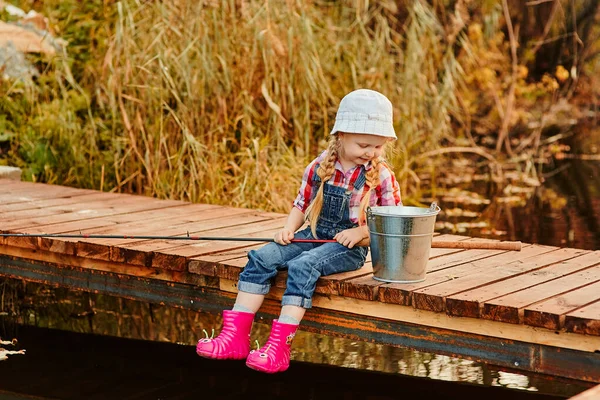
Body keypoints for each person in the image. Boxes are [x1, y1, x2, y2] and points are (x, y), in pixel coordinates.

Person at [196, 89, 402, 373]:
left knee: (303, 266)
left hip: (349, 247)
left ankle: (279, 348)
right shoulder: (320, 165)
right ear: (341, 136)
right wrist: (288, 229)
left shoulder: (382, 176)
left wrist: (360, 233)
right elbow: (301, 203)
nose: (371, 153)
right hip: (314, 233)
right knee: (262, 257)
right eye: (364, 145)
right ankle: (235, 338)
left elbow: (392, 223)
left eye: (377, 147)